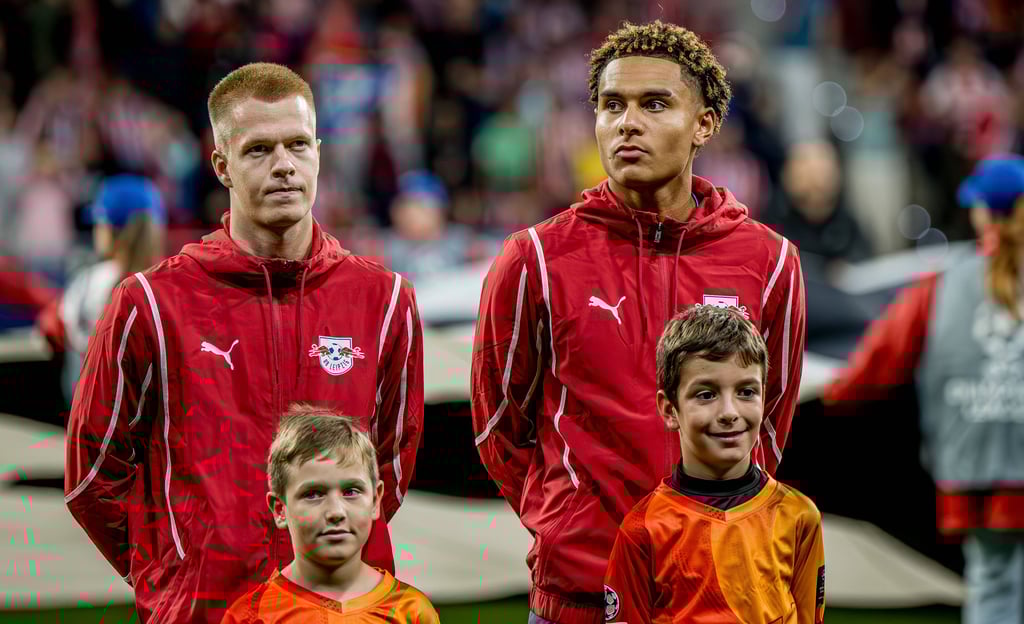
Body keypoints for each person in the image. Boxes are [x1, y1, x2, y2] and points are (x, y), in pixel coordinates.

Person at [471, 20, 806, 624]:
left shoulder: (771, 261)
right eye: (611, 105)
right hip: (577, 595)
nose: (628, 122)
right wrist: (566, 519)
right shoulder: (536, 259)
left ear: (704, 123)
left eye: (655, 104)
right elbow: (498, 423)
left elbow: (770, 422)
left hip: (712, 590)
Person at [64, 63, 424, 623]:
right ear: (222, 165)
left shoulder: (385, 299)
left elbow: (392, 467)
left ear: (319, 153)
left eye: (298, 144)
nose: (284, 165)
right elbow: (92, 473)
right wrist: (169, 571)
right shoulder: (150, 304)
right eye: (259, 150)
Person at [824, 154, 1024, 624]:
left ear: (981, 212)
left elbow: (873, 364)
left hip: (978, 466)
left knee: (992, 581)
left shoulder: (943, 282)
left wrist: (831, 394)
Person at [604, 305, 824, 624]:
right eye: (706, 395)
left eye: (746, 392)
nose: (729, 411)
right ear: (669, 409)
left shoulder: (799, 516)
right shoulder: (643, 529)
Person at [222, 404, 438, 623]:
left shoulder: (411, 612)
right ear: (280, 509)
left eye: (351, 491)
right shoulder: (251, 616)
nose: (336, 511)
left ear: (375, 500)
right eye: (313, 494)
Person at [36, 174, 166, 402]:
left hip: (92, 423)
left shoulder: (91, 281)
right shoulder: (173, 282)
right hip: (156, 426)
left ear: (110, 228)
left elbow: (50, 328)